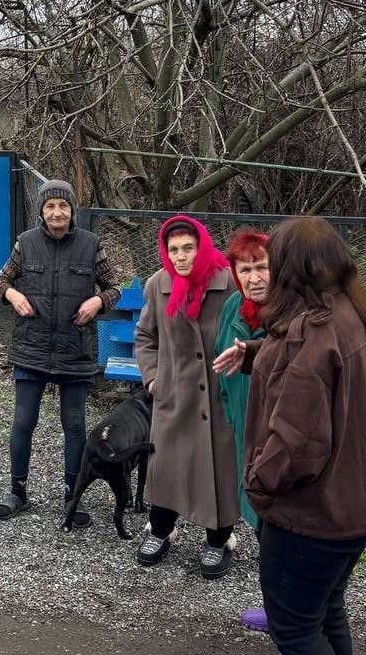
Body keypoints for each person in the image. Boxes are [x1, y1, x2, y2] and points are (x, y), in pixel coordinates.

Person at [222, 216, 366, 655]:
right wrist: (256, 353)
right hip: (358, 502)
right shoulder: (350, 314)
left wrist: (258, 486)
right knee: (326, 610)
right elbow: (313, 364)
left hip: (313, 516)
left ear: (290, 269)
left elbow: (297, 444)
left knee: (296, 630)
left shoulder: (311, 336)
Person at [0, 179, 122, 527]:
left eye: (63, 206)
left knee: (75, 424)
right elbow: (0, 281)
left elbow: (115, 288)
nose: (57, 212)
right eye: (50, 206)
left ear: (72, 211)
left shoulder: (91, 245)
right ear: (42, 211)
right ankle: (18, 492)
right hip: (31, 348)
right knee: (23, 421)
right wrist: (12, 295)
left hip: (74, 350)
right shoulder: (26, 243)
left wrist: (98, 301)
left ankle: (72, 497)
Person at [133, 214, 238, 578]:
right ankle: (161, 530)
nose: (180, 256)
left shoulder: (229, 282)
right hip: (175, 394)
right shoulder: (158, 285)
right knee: (167, 466)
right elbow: (145, 337)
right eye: (173, 249)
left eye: (188, 248)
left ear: (202, 247)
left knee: (219, 468)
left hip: (219, 396)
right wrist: (153, 379)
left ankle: (219, 540)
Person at [212, 229, 271, 633]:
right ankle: (276, 604)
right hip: (244, 428)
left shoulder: (289, 310)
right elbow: (221, 361)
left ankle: (289, 609)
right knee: (258, 516)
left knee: (280, 521)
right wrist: (231, 411)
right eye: (245, 270)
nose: (254, 278)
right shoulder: (234, 305)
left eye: (261, 267)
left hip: (279, 429)